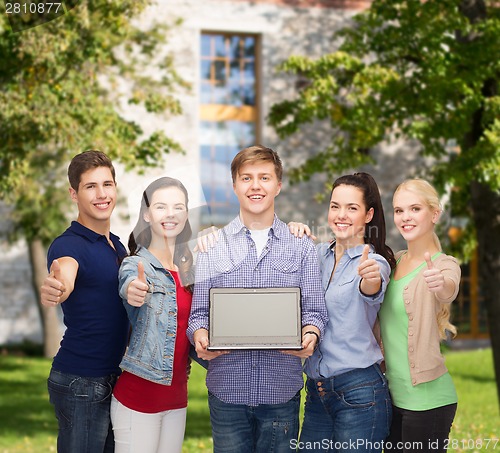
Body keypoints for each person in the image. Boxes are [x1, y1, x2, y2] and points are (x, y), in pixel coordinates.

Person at [187, 145, 328, 453]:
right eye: (246, 178)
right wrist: (200, 336)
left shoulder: (300, 245)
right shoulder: (213, 247)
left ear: (278, 185)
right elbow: (199, 315)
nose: (255, 186)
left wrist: (310, 334)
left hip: (281, 390)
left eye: (264, 177)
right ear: (235, 185)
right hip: (227, 390)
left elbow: (315, 311)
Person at [289, 172, 394, 452]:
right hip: (316, 393)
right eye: (335, 206)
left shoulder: (374, 262)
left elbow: (371, 286)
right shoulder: (316, 255)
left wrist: (370, 279)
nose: (341, 215)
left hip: (360, 393)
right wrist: (290, 230)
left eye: (352, 208)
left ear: (368, 214)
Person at [40, 150, 130, 453]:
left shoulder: (116, 245)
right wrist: (58, 287)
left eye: (107, 184)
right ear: (74, 194)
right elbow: (64, 273)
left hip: (115, 378)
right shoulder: (69, 244)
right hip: (82, 381)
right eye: (90, 186)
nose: (101, 194)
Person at [110, 177, 194, 453]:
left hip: (177, 400)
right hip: (138, 400)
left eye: (178, 207)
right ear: (147, 214)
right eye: (161, 207)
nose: (170, 214)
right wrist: (134, 290)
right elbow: (129, 283)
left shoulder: (188, 271)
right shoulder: (136, 264)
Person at [379, 178, 460, 453]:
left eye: (415, 209)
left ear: (434, 214)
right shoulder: (395, 260)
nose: (405, 217)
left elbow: (448, 287)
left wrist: (441, 284)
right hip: (394, 398)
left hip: (429, 402)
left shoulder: (443, 264)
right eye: (399, 210)